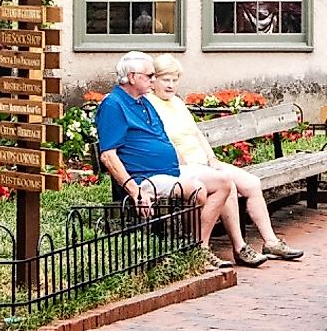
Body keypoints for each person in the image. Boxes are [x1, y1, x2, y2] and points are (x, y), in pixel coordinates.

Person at [92, 50, 243, 267]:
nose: (154, 81)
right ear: (132, 77)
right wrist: (135, 191)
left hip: (170, 170)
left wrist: (185, 165)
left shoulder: (145, 103)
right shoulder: (113, 104)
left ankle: (199, 250)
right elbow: (108, 156)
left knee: (223, 181)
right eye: (149, 76)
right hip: (145, 178)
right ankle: (197, 253)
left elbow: (162, 140)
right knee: (197, 189)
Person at [149, 54, 300, 263]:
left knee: (252, 183)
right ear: (153, 80)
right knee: (227, 186)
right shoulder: (150, 105)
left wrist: (212, 158)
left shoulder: (176, 102)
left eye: (175, 80)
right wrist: (187, 165)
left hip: (203, 161)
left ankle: (271, 242)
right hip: (186, 167)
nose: (171, 85)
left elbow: (197, 133)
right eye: (166, 79)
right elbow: (164, 141)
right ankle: (240, 248)